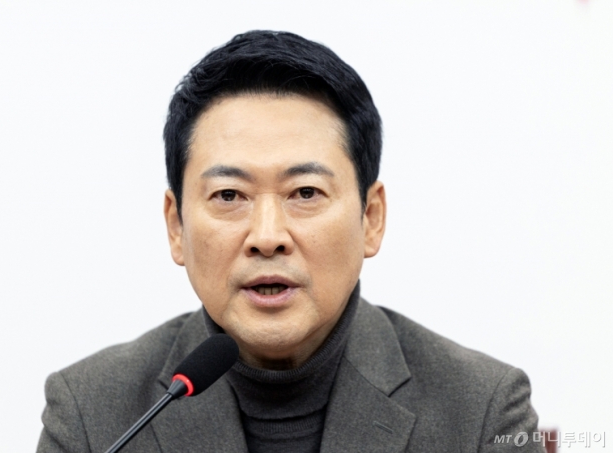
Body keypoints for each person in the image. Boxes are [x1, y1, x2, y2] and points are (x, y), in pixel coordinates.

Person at [37, 30, 542, 452]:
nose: (267, 237)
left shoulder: (482, 412)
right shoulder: (90, 415)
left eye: (305, 192)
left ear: (370, 217)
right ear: (177, 226)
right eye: (229, 195)